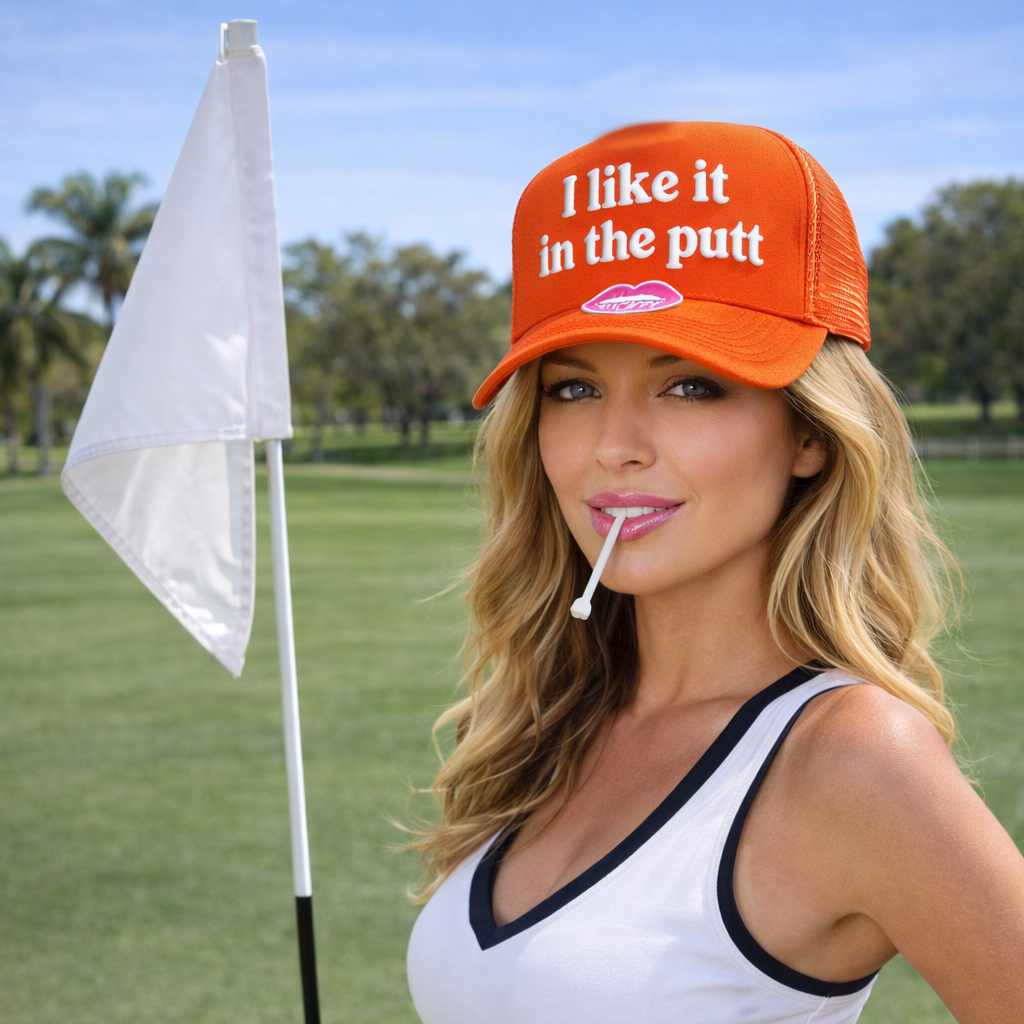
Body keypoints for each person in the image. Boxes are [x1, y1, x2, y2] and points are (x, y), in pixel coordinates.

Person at [405, 122, 1024, 1023]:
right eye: (572, 388)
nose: (613, 448)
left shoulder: (855, 759)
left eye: (690, 384)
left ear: (809, 433)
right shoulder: (546, 720)